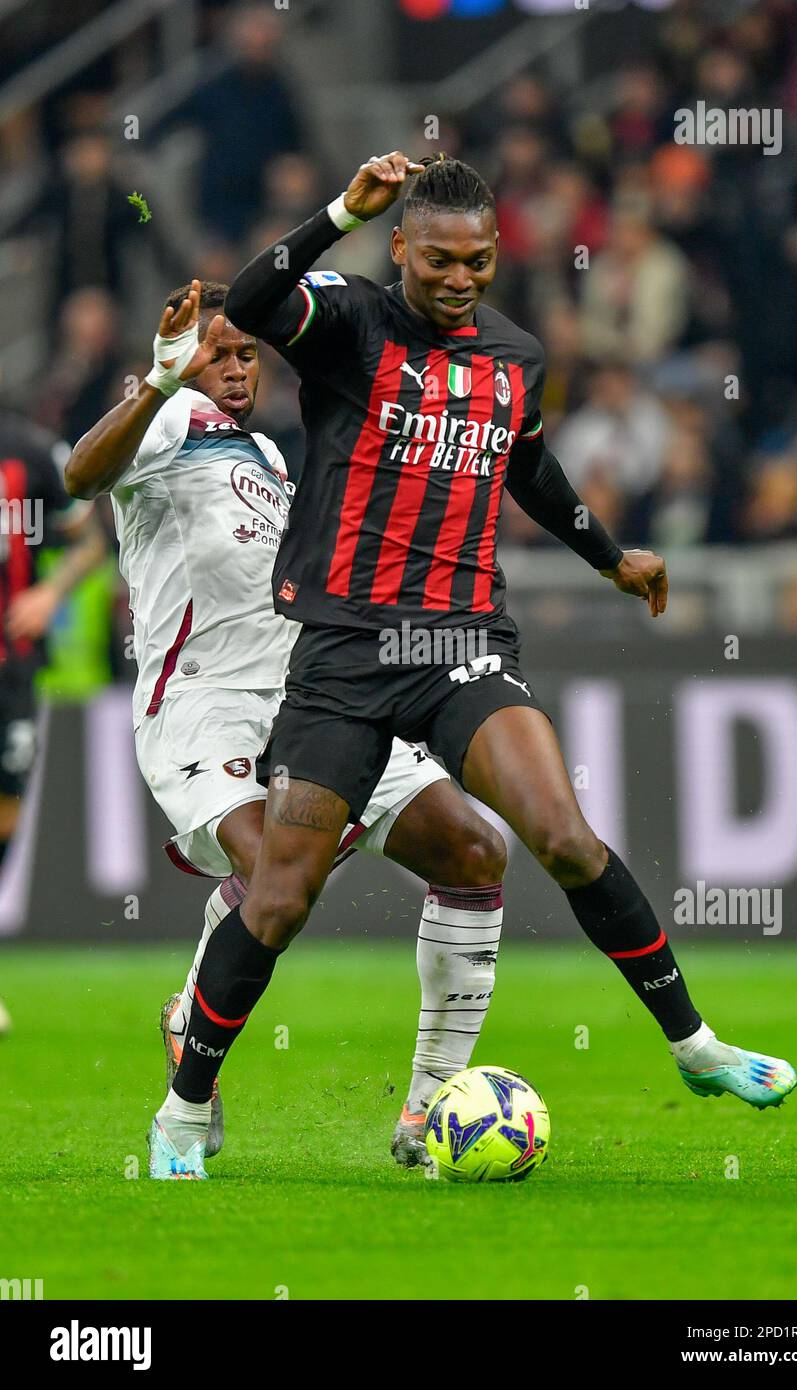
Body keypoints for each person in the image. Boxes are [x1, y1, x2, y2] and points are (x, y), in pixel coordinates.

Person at [162, 152, 797, 1163]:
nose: (459, 280)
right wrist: (340, 211)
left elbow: (529, 463)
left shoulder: (514, 355)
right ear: (401, 248)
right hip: (343, 650)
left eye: (477, 262)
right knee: (280, 895)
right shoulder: (349, 324)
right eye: (439, 261)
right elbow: (251, 295)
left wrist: (609, 555)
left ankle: (694, 1043)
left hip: (460, 640)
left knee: (564, 839)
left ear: (497, 254)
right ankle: (185, 1110)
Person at [65, 280, 510, 1179]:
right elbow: (80, 477)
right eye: (218, 353)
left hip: (310, 701)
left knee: (473, 851)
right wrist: (157, 379)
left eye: (246, 354)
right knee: (276, 868)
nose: (235, 370)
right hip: (202, 708)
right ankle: (184, 1102)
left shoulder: (266, 449)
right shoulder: (165, 421)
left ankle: (431, 1110)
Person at [0, 410, 106, 1034]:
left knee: (7, 811)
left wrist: (49, 593)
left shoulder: (29, 450)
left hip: (13, 670)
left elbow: (91, 541)